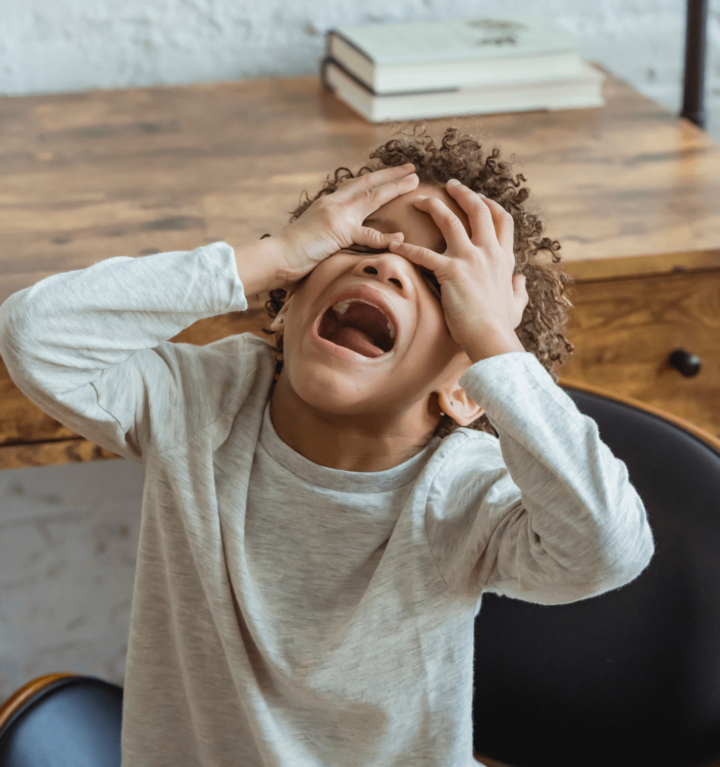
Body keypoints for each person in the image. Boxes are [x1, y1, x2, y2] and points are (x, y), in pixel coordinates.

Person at [0, 125, 655, 767]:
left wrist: (492, 336)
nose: (387, 265)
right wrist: (266, 256)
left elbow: (609, 547)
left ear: (465, 388)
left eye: (440, 285)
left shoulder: (461, 493)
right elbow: (35, 335)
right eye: (359, 243)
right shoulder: (200, 405)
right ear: (286, 303)